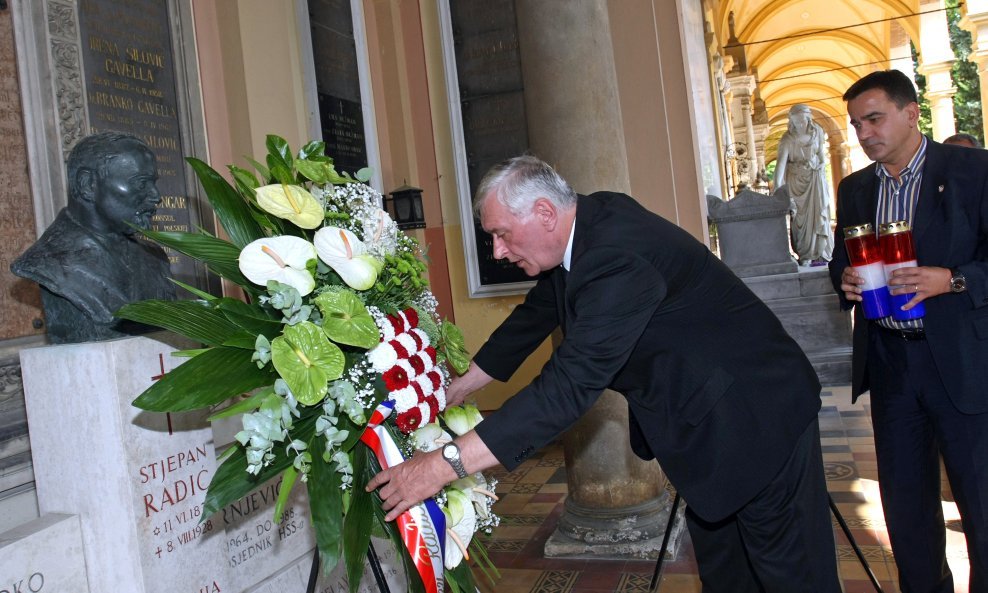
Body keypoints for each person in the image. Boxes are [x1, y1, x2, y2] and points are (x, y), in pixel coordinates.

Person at [369, 156, 842, 592]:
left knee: (791, 578)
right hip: (708, 423)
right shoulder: (592, 220)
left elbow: (568, 386)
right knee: (730, 577)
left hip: (755, 420)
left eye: (502, 234)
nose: (496, 251)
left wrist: (440, 465)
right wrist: (465, 383)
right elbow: (541, 309)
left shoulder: (617, 259)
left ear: (545, 214)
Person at [830, 70, 988, 593]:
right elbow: (839, 262)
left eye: (874, 118)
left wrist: (954, 279)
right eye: (856, 125)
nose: (864, 133)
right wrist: (846, 279)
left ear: (911, 113)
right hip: (893, 365)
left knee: (981, 503)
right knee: (907, 512)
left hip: (963, 364)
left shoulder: (972, 171)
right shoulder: (855, 189)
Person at [11, 131, 175, 343]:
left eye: (153, 183)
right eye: (140, 183)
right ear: (87, 184)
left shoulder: (155, 258)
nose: (156, 196)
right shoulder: (48, 262)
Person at [774, 104, 834, 266]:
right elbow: (780, 167)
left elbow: (821, 156)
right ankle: (805, 253)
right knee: (799, 220)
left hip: (815, 179)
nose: (800, 125)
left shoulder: (817, 133)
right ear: (791, 122)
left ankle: (822, 252)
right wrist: (780, 194)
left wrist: (821, 164)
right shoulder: (788, 139)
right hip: (796, 182)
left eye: (803, 121)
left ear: (808, 119)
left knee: (819, 214)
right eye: (796, 122)